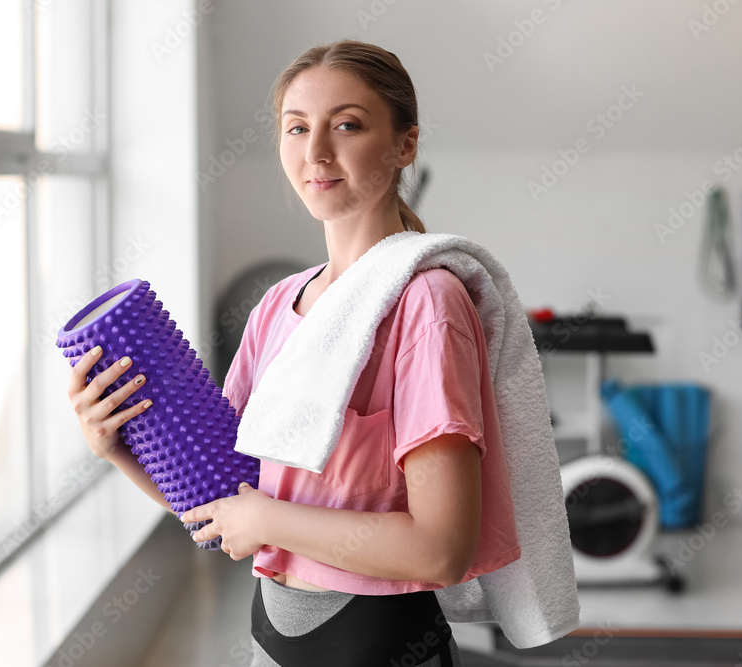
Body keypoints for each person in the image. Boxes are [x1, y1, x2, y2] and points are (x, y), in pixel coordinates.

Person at [68, 39, 521, 667]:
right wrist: (114, 446)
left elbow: (441, 548)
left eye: (347, 125)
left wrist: (269, 522)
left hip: (383, 648)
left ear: (405, 145)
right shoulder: (278, 305)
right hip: (273, 645)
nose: (316, 152)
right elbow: (226, 499)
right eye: (296, 128)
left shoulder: (426, 304)